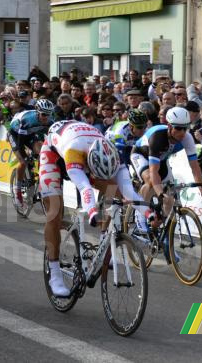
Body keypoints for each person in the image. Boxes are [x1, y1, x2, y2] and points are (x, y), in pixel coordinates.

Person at [40, 121, 137, 296]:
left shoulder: (112, 149)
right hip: (56, 155)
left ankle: (103, 242)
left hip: (88, 151)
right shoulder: (73, 149)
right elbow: (85, 188)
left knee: (113, 190)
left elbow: (126, 190)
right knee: (54, 213)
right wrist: (92, 211)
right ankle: (54, 273)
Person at [131, 108, 202, 230]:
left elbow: (195, 167)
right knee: (151, 181)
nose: (182, 132)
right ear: (169, 126)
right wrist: (160, 194)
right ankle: (140, 213)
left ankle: (163, 228)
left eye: (186, 128)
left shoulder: (187, 138)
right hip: (141, 154)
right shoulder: (157, 137)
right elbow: (154, 172)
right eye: (178, 128)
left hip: (161, 158)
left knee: (171, 196)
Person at [8, 99, 55, 201]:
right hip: (15, 134)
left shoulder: (51, 120)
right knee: (23, 162)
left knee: (42, 152)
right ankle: (18, 190)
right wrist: (24, 156)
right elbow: (20, 143)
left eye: (49, 114)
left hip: (30, 133)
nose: (46, 117)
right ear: (38, 112)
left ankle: (38, 177)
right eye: (43, 114)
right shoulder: (28, 120)